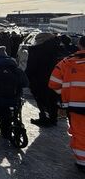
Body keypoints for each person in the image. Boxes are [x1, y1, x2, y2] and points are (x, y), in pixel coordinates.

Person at [48, 36, 85, 172]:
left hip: (76, 106)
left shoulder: (66, 62)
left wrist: (65, 94)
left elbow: (53, 83)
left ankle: (82, 162)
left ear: (79, 46)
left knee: (80, 134)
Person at [26, 33, 63, 127]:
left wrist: (27, 77)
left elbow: (31, 67)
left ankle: (45, 118)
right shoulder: (59, 48)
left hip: (39, 79)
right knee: (53, 99)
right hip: (57, 78)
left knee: (41, 99)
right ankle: (53, 118)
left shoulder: (36, 50)